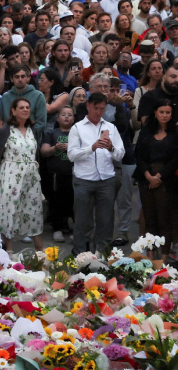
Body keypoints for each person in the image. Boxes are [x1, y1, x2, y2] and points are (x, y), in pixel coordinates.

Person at [68, 92, 125, 253]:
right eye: (96, 108)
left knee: (105, 220)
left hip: (106, 179)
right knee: (82, 220)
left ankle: (102, 254)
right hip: (83, 180)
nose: (99, 112)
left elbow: (121, 153)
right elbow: (72, 155)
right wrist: (91, 147)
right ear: (88, 105)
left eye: (102, 108)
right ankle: (79, 255)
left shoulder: (110, 127)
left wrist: (111, 148)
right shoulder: (77, 128)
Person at [0, 98, 43, 251]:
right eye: (21, 107)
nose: (25, 110)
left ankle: (39, 246)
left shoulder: (33, 130)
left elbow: (36, 154)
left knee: (33, 209)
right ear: (13, 110)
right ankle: (8, 247)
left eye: (27, 107)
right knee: (8, 209)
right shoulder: (5, 130)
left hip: (31, 175)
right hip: (10, 174)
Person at [133, 100, 178, 254]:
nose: (165, 115)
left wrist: (159, 176)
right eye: (162, 112)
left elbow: (175, 159)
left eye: (168, 113)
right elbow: (138, 155)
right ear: (155, 112)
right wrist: (148, 175)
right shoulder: (146, 131)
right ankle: (151, 258)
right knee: (149, 218)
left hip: (166, 180)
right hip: (145, 178)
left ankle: (164, 260)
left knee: (165, 219)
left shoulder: (175, 133)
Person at [40, 105, 75, 242]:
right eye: (63, 114)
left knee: (74, 203)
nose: (66, 117)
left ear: (74, 118)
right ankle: (57, 228)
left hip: (74, 174)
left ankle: (75, 229)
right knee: (56, 202)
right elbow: (44, 151)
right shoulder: (51, 133)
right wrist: (55, 148)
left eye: (70, 114)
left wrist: (71, 148)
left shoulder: (77, 133)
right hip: (56, 175)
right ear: (58, 118)